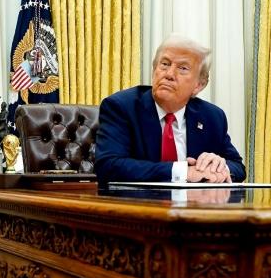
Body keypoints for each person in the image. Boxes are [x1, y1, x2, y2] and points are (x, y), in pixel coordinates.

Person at [95, 34, 246, 185]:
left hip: (194, 206)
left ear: (198, 85)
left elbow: (238, 167)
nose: (169, 74)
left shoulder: (212, 116)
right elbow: (108, 166)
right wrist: (183, 172)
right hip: (139, 205)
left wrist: (218, 166)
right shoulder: (122, 107)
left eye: (182, 68)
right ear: (154, 70)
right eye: (165, 64)